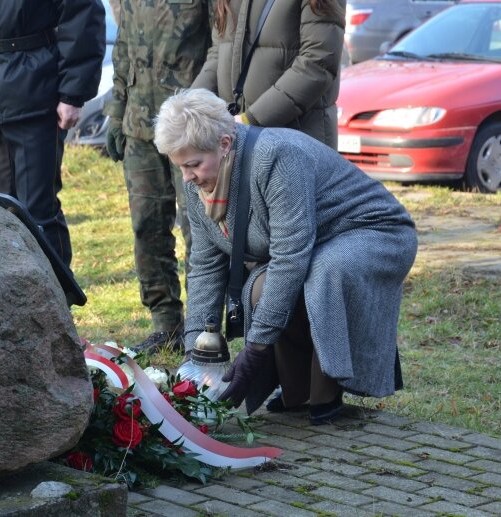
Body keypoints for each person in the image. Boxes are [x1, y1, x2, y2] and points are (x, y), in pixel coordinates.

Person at [154, 89, 417, 424]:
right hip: (317, 241)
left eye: (193, 165)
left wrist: (255, 351)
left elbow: (290, 258)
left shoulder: (276, 157)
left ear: (223, 143)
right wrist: (195, 357)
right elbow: (205, 267)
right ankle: (298, 391)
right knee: (261, 288)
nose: (187, 178)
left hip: (376, 232)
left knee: (322, 270)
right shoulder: (197, 186)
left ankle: (327, 391)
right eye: (180, 167)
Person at [0, 0, 106, 267]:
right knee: (0, 208)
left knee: (39, 211)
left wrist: (73, 94)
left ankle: (59, 298)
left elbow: (82, 18)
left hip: (37, 93)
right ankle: (15, 296)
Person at [103, 0, 213, 353]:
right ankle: (165, 322)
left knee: (198, 227)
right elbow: (123, 47)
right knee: (146, 225)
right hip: (139, 124)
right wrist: (116, 109)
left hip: (188, 124)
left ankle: (202, 325)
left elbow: (220, 45)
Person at [192, 0, 344, 149]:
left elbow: (317, 63)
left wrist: (251, 119)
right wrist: (187, 107)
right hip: (240, 138)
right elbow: (218, 54)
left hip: (297, 143)